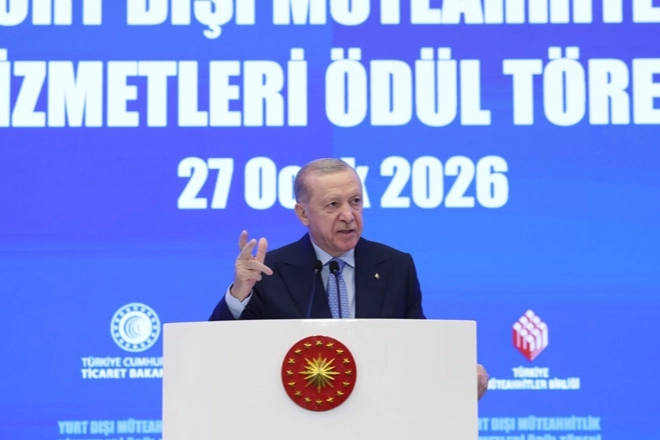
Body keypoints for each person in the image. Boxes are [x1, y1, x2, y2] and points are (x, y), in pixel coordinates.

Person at [209, 158, 488, 399]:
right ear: (303, 214)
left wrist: (455, 372)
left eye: (355, 201)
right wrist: (239, 293)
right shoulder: (269, 271)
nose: (348, 215)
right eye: (333, 205)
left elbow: (416, 345)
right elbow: (220, 354)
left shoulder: (395, 265)